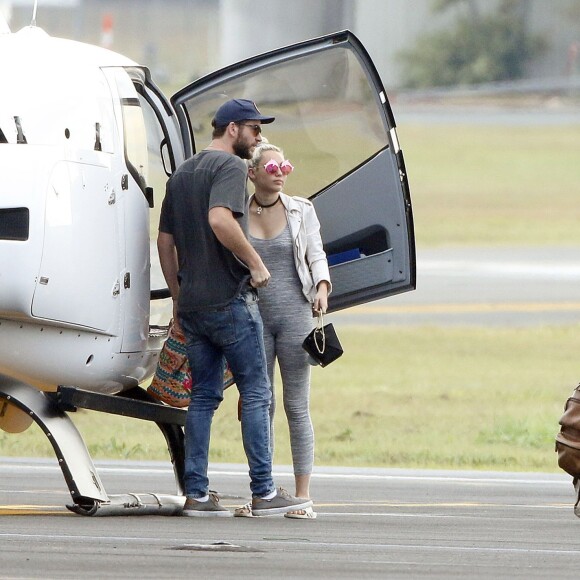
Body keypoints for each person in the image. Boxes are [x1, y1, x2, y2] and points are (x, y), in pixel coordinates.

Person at [157, 99, 312, 518]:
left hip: (192, 306)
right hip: (229, 300)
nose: (258, 137)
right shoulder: (228, 169)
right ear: (232, 130)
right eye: (254, 130)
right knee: (257, 392)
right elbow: (220, 220)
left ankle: (198, 495)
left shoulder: (183, 173)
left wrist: (177, 297)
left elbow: (165, 242)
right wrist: (257, 264)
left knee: (204, 397)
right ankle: (263, 491)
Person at [234, 143, 331, 519]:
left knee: (295, 405)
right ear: (253, 172)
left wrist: (322, 287)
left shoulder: (301, 210)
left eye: (284, 166)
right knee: (260, 405)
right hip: (253, 318)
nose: (279, 172)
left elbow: (316, 253)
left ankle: (303, 496)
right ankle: (266, 490)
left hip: (295, 316)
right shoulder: (237, 212)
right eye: (271, 166)